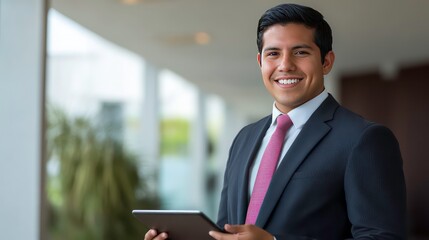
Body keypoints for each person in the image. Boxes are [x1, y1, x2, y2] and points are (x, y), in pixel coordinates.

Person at [145, 3, 406, 240]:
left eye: (300, 52)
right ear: (260, 62)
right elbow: (227, 231)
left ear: (326, 62)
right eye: (273, 54)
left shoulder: (363, 139)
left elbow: (383, 238)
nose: (285, 65)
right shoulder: (244, 138)